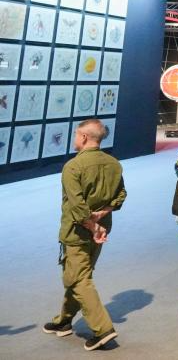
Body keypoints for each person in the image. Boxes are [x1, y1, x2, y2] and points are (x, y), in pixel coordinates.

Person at [43, 120, 127, 351]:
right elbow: (121, 195)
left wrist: (92, 226)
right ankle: (63, 321)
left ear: (83, 137)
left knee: (79, 279)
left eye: (75, 134)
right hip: (100, 230)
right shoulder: (114, 164)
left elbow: (77, 206)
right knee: (78, 274)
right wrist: (102, 215)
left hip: (77, 232)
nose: (74, 138)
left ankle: (103, 330)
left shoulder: (73, 167)